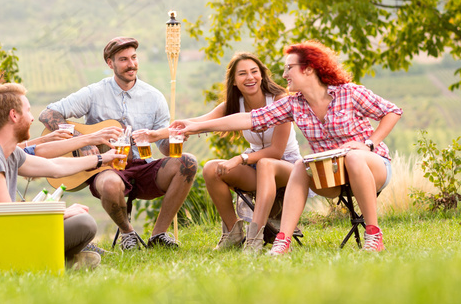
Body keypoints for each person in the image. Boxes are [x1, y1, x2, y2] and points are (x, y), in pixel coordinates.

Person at [172, 41, 402, 254]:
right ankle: (283, 239)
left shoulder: (349, 92)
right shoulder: (294, 104)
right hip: (330, 176)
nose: (283, 75)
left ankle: (374, 235)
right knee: (303, 163)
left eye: (289, 68)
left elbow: (392, 111)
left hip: (371, 167)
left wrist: (368, 143)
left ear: (309, 69)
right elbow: (248, 119)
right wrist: (193, 128)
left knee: (353, 157)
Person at [39, 37, 198, 251]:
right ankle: (128, 234)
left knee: (187, 162)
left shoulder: (155, 97)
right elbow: (48, 113)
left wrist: (172, 140)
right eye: (123, 59)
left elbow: (163, 147)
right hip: (106, 168)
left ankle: (159, 234)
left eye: (133, 58)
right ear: (110, 63)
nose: (131, 64)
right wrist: (81, 140)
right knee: (111, 184)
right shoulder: (94, 92)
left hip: (143, 166)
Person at [133, 52, 301, 252]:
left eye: (254, 72)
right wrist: (155, 135)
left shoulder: (280, 100)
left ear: (262, 75)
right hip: (256, 166)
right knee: (212, 168)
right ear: (234, 82)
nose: (250, 77)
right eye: (242, 74)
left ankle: (254, 239)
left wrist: (239, 159)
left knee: (265, 164)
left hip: (288, 168)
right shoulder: (234, 105)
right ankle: (233, 232)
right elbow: (198, 123)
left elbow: (275, 151)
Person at [0, 83, 124, 270]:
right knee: (84, 223)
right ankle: (54, 263)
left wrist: (102, 158)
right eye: (28, 111)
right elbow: (5, 217)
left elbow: (55, 166)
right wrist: (58, 215)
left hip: (0, 239)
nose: (32, 118)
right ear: (13, 115)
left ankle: (56, 262)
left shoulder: (7, 151)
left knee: (80, 222)